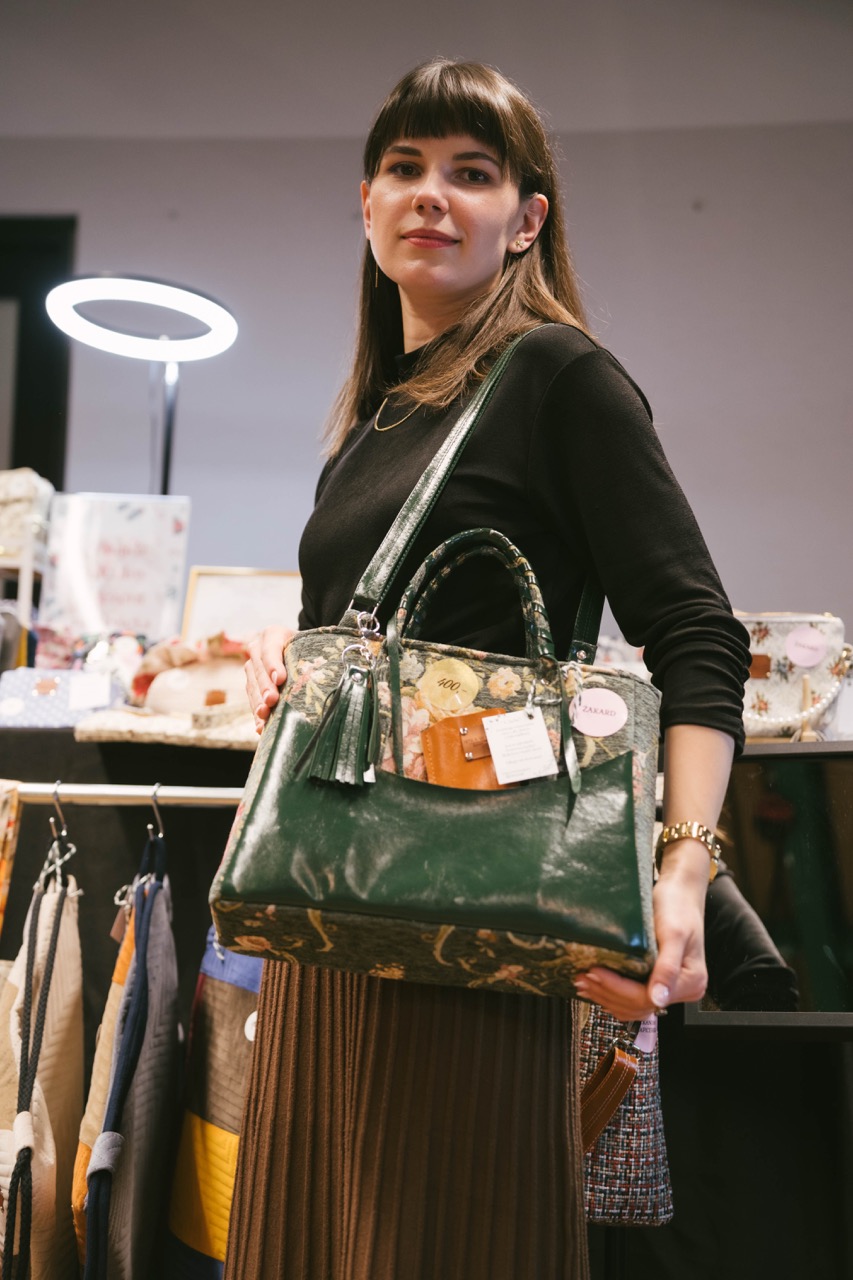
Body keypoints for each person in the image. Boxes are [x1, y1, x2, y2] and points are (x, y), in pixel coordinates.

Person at [229, 58, 750, 1280]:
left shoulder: (559, 377)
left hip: (475, 916)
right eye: (404, 168)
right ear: (365, 203)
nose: (431, 193)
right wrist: (296, 658)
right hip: (329, 922)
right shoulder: (373, 418)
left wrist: (682, 871)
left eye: (471, 172)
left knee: (439, 1236)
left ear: (525, 221)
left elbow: (697, 633)